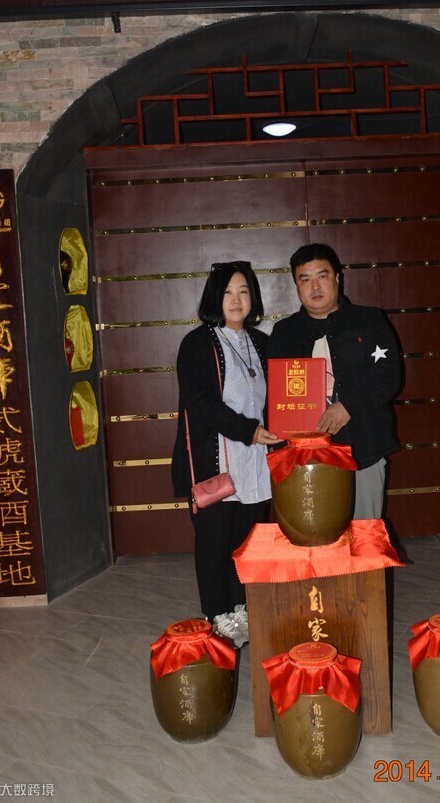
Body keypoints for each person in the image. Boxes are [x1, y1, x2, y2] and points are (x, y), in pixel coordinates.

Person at [172, 261, 278, 644]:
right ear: (214, 296)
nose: (236, 299)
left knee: (247, 543)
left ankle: (241, 609)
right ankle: (217, 614)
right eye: (228, 291)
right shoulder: (197, 343)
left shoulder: (261, 343)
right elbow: (200, 403)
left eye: (244, 291)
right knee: (214, 543)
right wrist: (247, 430)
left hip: (255, 461)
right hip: (216, 460)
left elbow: (277, 397)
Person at [267, 243, 401, 519]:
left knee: (364, 534)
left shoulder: (369, 321)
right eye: (305, 279)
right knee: (315, 534)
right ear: (296, 285)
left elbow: (388, 375)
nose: (315, 286)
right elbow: (276, 394)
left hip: (363, 449)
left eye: (322, 275)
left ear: (338, 278)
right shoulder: (284, 333)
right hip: (304, 458)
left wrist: (348, 406)